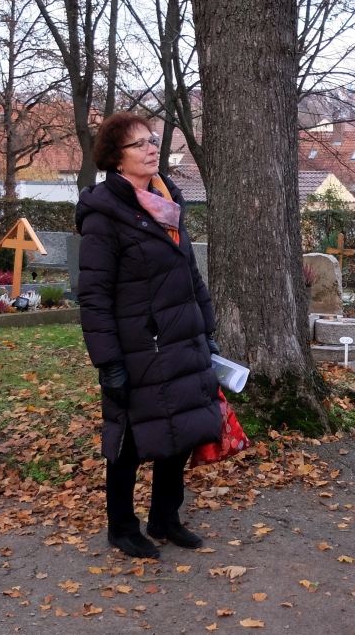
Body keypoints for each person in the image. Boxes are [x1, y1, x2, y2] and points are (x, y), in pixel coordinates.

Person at [76, 111, 222, 559]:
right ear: (116, 160)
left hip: (182, 340)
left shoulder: (167, 200)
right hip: (137, 350)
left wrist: (207, 329)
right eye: (139, 144)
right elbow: (94, 297)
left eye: (152, 140)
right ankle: (121, 527)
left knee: (179, 434)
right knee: (131, 441)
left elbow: (188, 271)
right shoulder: (105, 215)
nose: (150, 148)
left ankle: (165, 518)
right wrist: (109, 363)